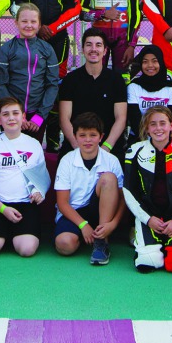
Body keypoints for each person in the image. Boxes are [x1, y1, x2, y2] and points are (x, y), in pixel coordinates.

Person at [123, 106, 172, 274]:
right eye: (153, 124)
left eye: (162, 123)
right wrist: (148, 219)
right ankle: (147, 245)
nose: (158, 128)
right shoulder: (134, 151)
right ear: (146, 128)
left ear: (171, 125)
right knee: (148, 263)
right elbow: (129, 190)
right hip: (149, 216)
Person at [0, 99, 48, 258]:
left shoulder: (34, 144)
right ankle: (5, 234)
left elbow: (41, 179)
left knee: (27, 250)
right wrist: (3, 209)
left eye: (15, 113)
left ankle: (14, 235)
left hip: (26, 204)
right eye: (5, 114)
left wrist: (38, 192)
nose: (11, 118)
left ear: (23, 117)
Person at [54, 112, 124, 264]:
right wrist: (83, 225)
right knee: (64, 245)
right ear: (75, 136)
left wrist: (112, 225)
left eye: (93, 135)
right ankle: (84, 236)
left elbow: (122, 199)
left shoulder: (112, 160)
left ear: (101, 137)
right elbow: (62, 203)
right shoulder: (67, 161)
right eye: (82, 135)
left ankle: (102, 242)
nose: (87, 140)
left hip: (101, 212)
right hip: (74, 212)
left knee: (108, 178)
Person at [0, 3, 60, 143]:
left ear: (39, 24)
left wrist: (40, 116)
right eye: (24, 21)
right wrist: (15, 114)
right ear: (16, 23)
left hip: (37, 116)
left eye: (33, 21)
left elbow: (52, 85)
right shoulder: (6, 49)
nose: (29, 25)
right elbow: (1, 84)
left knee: (33, 153)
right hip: (13, 116)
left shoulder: (47, 49)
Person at [58, 29, 128, 155]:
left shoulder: (116, 80)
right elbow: (64, 118)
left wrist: (106, 148)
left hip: (109, 146)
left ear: (105, 51)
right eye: (89, 45)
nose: (93, 49)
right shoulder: (70, 80)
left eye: (98, 45)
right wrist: (78, 147)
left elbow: (121, 118)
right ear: (83, 49)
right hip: (76, 146)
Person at [126, 45, 172, 143]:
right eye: (145, 62)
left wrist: (158, 140)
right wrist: (149, 141)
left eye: (154, 61)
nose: (150, 65)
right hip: (139, 139)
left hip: (164, 138)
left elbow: (171, 118)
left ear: (161, 62)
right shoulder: (134, 87)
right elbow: (134, 119)